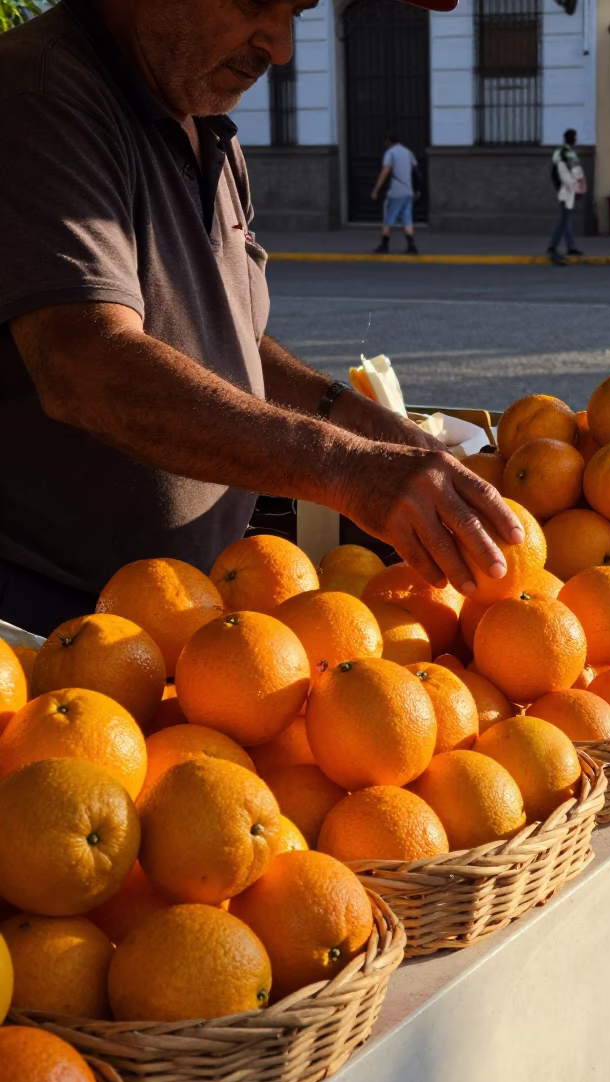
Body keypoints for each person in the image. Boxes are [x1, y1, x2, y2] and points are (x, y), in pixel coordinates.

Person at [0, 0, 522, 637]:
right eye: (256, 3)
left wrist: (364, 424)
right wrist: (350, 470)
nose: (281, 47)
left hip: (195, 607)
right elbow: (86, 362)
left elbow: (232, 341)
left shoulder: (203, 120)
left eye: (297, 10)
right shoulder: (43, 95)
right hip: (56, 622)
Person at [371, 132, 420, 255]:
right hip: (408, 191)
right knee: (407, 219)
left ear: (388, 142)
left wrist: (376, 189)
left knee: (389, 218)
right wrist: (417, 189)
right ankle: (411, 246)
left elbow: (385, 172)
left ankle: (384, 245)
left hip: (395, 191)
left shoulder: (390, 153)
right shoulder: (408, 152)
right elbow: (416, 172)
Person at [547, 129, 586, 265]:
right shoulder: (569, 154)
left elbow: (554, 172)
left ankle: (571, 247)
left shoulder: (559, 152)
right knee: (565, 219)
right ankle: (552, 248)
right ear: (574, 139)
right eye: (575, 137)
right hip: (568, 189)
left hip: (563, 188)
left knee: (567, 217)